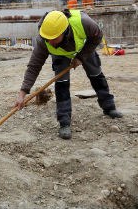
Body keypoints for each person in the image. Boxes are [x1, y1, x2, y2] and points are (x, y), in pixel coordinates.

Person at [14, 9, 123, 140]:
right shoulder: (44, 40)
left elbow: (97, 36)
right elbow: (33, 67)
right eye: (48, 39)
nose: (51, 42)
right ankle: (64, 122)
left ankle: (109, 107)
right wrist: (22, 93)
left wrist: (81, 57)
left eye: (54, 39)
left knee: (96, 74)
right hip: (61, 56)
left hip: (84, 49)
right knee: (61, 84)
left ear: (64, 31)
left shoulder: (84, 23)